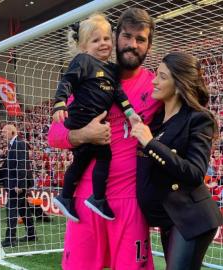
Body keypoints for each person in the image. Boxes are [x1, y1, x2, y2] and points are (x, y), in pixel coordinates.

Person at [48, 8, 159, 269]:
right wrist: (83, 134)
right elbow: (54, 135)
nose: (132, 45)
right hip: (85, 200)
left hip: (130, 202)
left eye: (141, 39)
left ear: (148, 46)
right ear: (115, 36)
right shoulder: (87, 78)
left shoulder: (155, 88)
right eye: (127, 36)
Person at [131, 52, 223, 269]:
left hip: (190, 218)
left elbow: (195, 173)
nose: (154, 81)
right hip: (169, 220)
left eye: (162, 77)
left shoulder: (198, 119)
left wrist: (151, 143)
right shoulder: (155, 122)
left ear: (178, 83)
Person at [52, 13, 141, 222]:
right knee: (103, 157)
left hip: (95, 121)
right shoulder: (83, 61)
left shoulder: (111, 70)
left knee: (82, 161)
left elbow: (118, 93)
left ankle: (67, 197)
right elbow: (68, 81)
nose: (103, 43)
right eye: (95, 40)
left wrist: (130, 113)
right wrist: (60, 103)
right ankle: (97, 198)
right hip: (81, 118)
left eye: (106, 39)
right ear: (83, 46)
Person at [0, 124, 36, 247]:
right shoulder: (13, 145)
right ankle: (31, 234)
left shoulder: (19, 144)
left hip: (17, 185)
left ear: (12, 132)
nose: (2, 134)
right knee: (23, 209)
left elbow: (22, 165)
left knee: (11, 209)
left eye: (4, 132)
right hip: (16, 183)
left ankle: (10, 239)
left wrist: (19, 184)